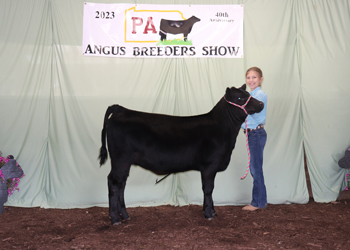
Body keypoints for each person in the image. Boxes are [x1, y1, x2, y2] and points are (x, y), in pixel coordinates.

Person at [241, 67, 268, 211]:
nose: (251, 80)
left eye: (254, 77)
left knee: (255, 168)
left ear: (261, 79)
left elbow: (253, 116)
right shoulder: (250, 95)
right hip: (252, 134)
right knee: (255, 168)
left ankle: (258, 203)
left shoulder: (259, 95)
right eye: (248, 77)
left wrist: (239, 116)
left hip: (256, 133)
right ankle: (259, 201)